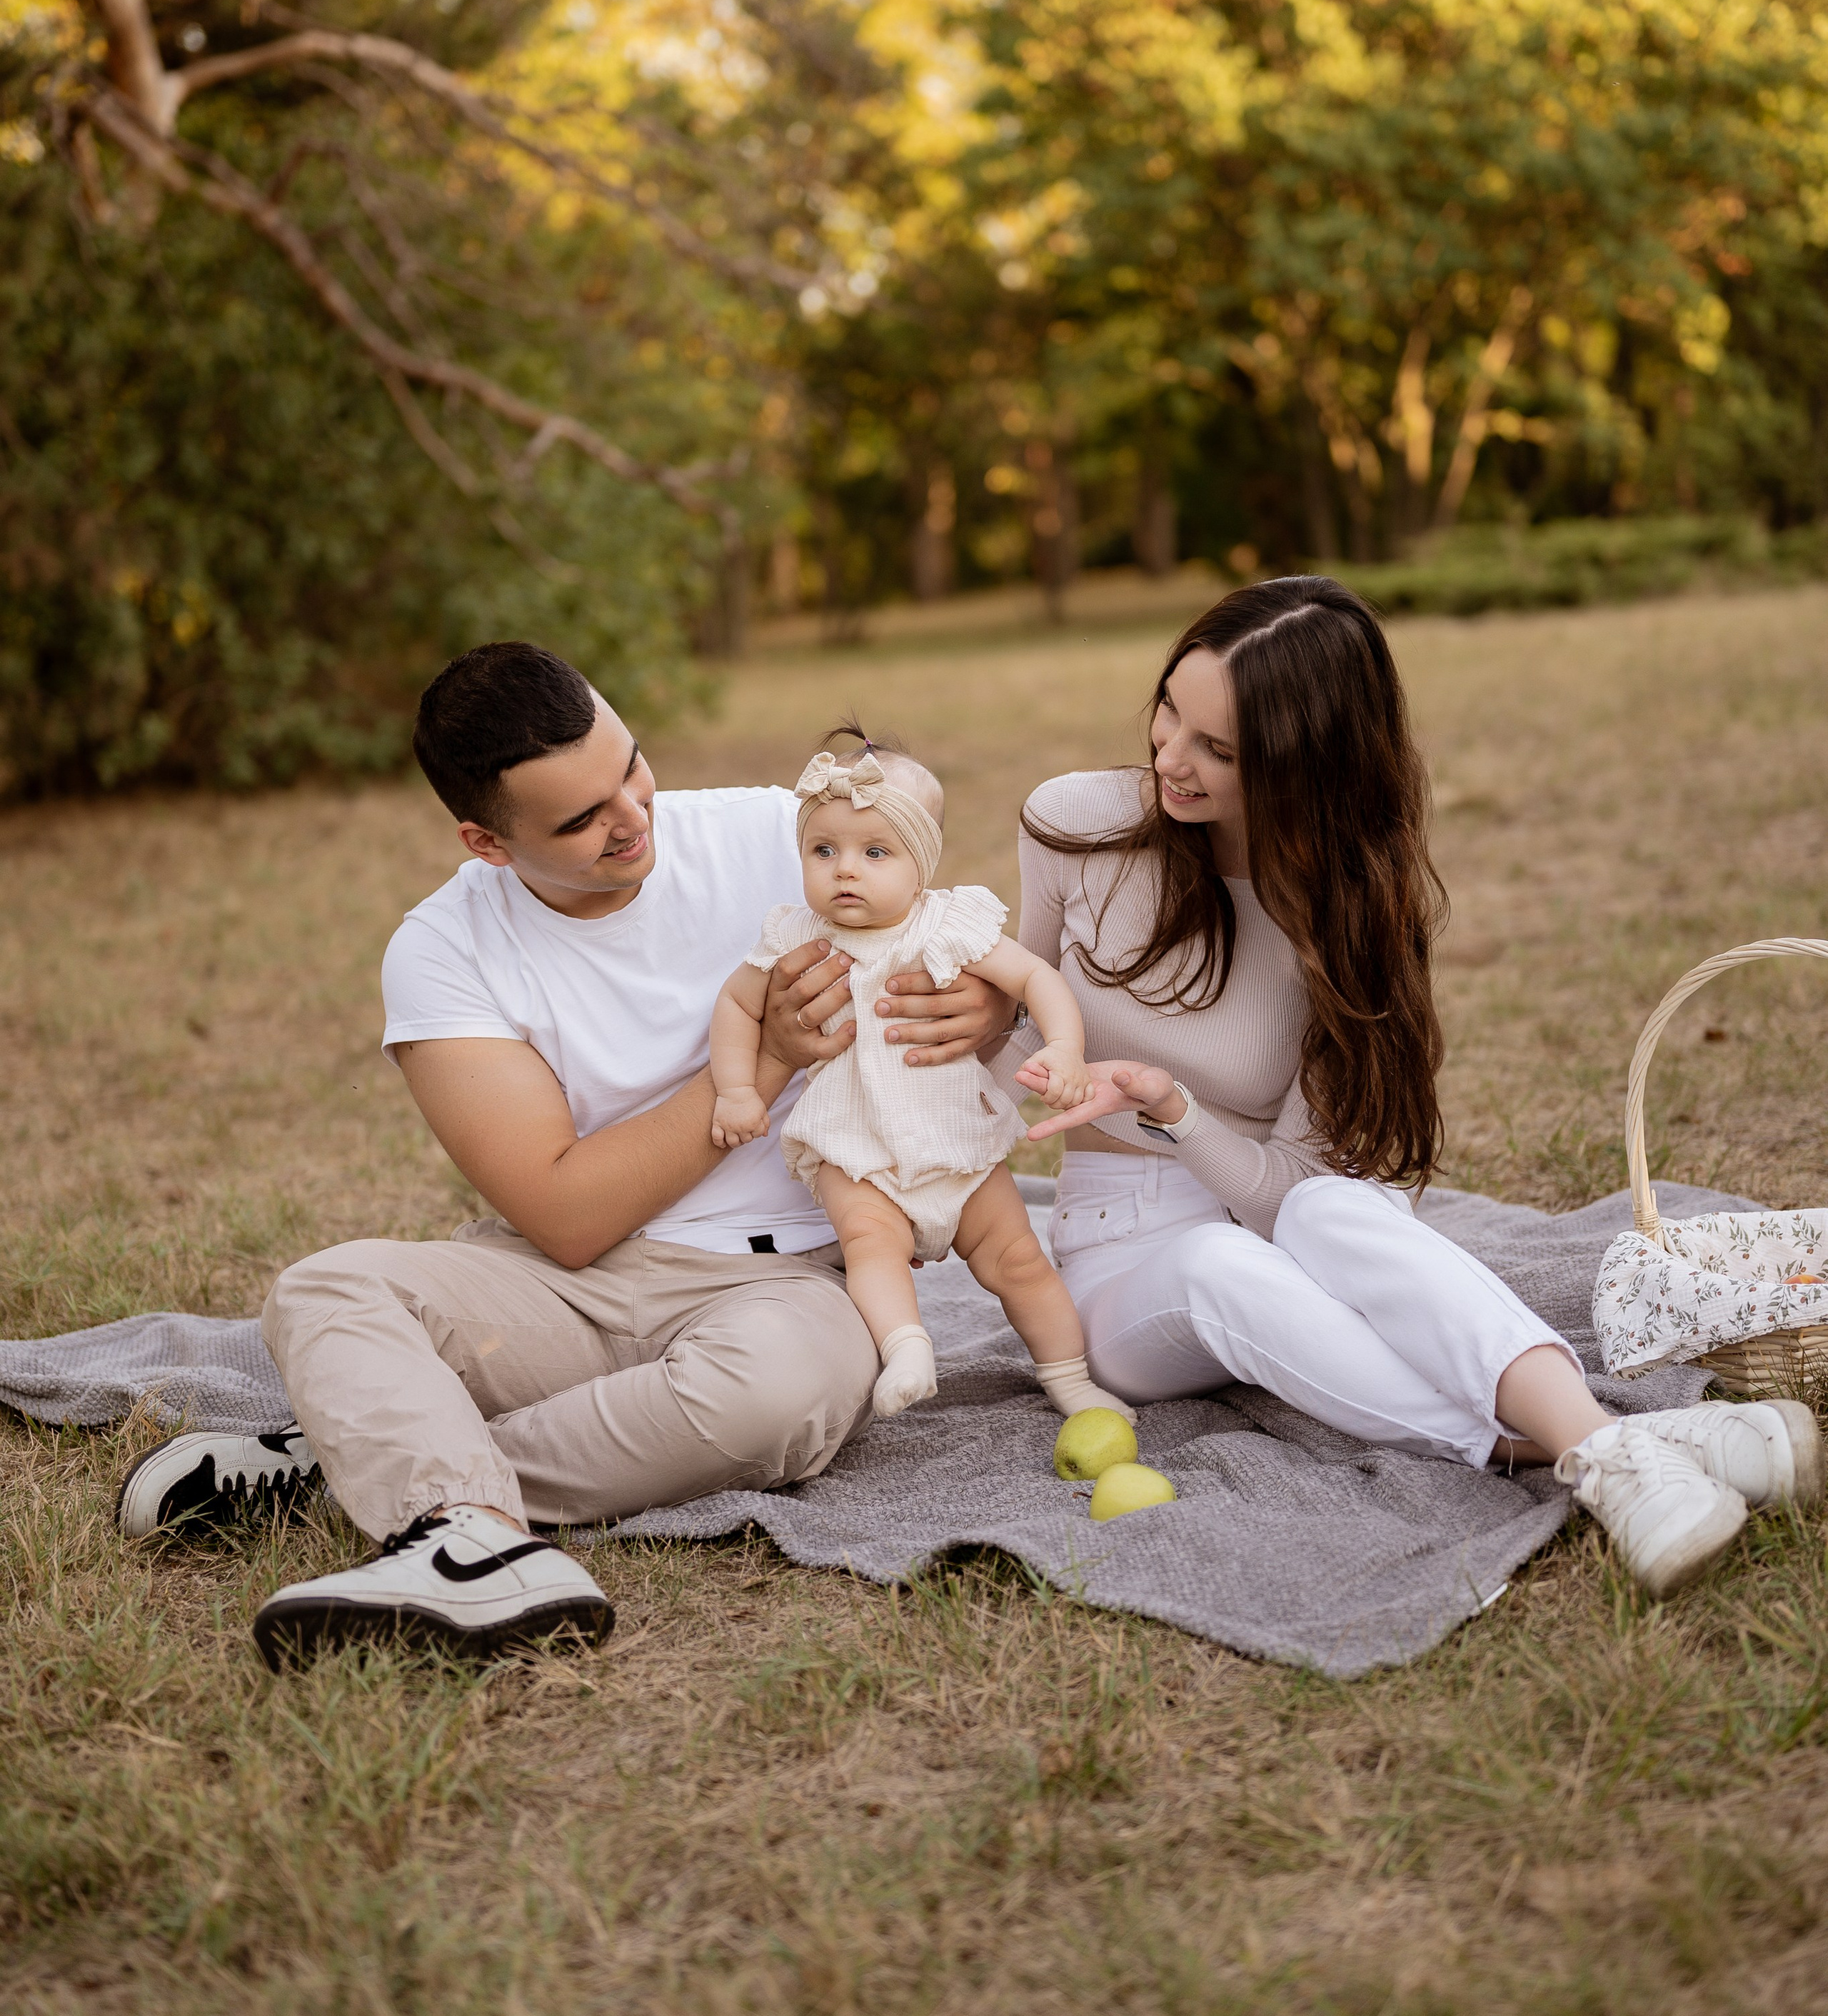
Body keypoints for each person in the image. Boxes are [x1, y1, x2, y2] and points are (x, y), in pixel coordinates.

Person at [114, 643, 1013, 1665]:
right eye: (581, 820)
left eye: (630, 767)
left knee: (781, 1391)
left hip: (791, 1280)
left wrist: (981, 1007)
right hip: (568, 1280)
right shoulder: (442, 950)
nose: (632, 819)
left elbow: (958, 968)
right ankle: (475, 1540)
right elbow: (566, 1217)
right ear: (486, 842)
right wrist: (759, 1062)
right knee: (328, 1289)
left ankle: (407, 1489)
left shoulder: (779, 836)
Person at [1011, 576, 1823, 1600]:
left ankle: (1611, 1460)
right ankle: (1609, 1444)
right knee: (1218, 1260)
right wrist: (1018, 1052)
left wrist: (1177, 1109)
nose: (1170, 756)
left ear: (1308, 766)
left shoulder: (1343, 917)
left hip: (1284, 1217)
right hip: (1126, 1260)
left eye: (1220, 750)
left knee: (1328, 1205)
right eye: (1170, 708)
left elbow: (1291, 1191)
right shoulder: (1075, 826)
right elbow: (1004, 1037)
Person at [710, 731, 1118, 1423]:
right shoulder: (794, 935)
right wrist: (737, 1088)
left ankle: (1070, 1378)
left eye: (874, 853)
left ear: (919, 865)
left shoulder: (946, 923)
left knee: (1016, 1258)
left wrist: (1066, 1048)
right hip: (855, 1146)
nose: (845, 870)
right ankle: (906, 1347)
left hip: (955, 1141)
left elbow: (1035, 976)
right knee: (872, 1245)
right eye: (824, 850)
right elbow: (736, 1003)